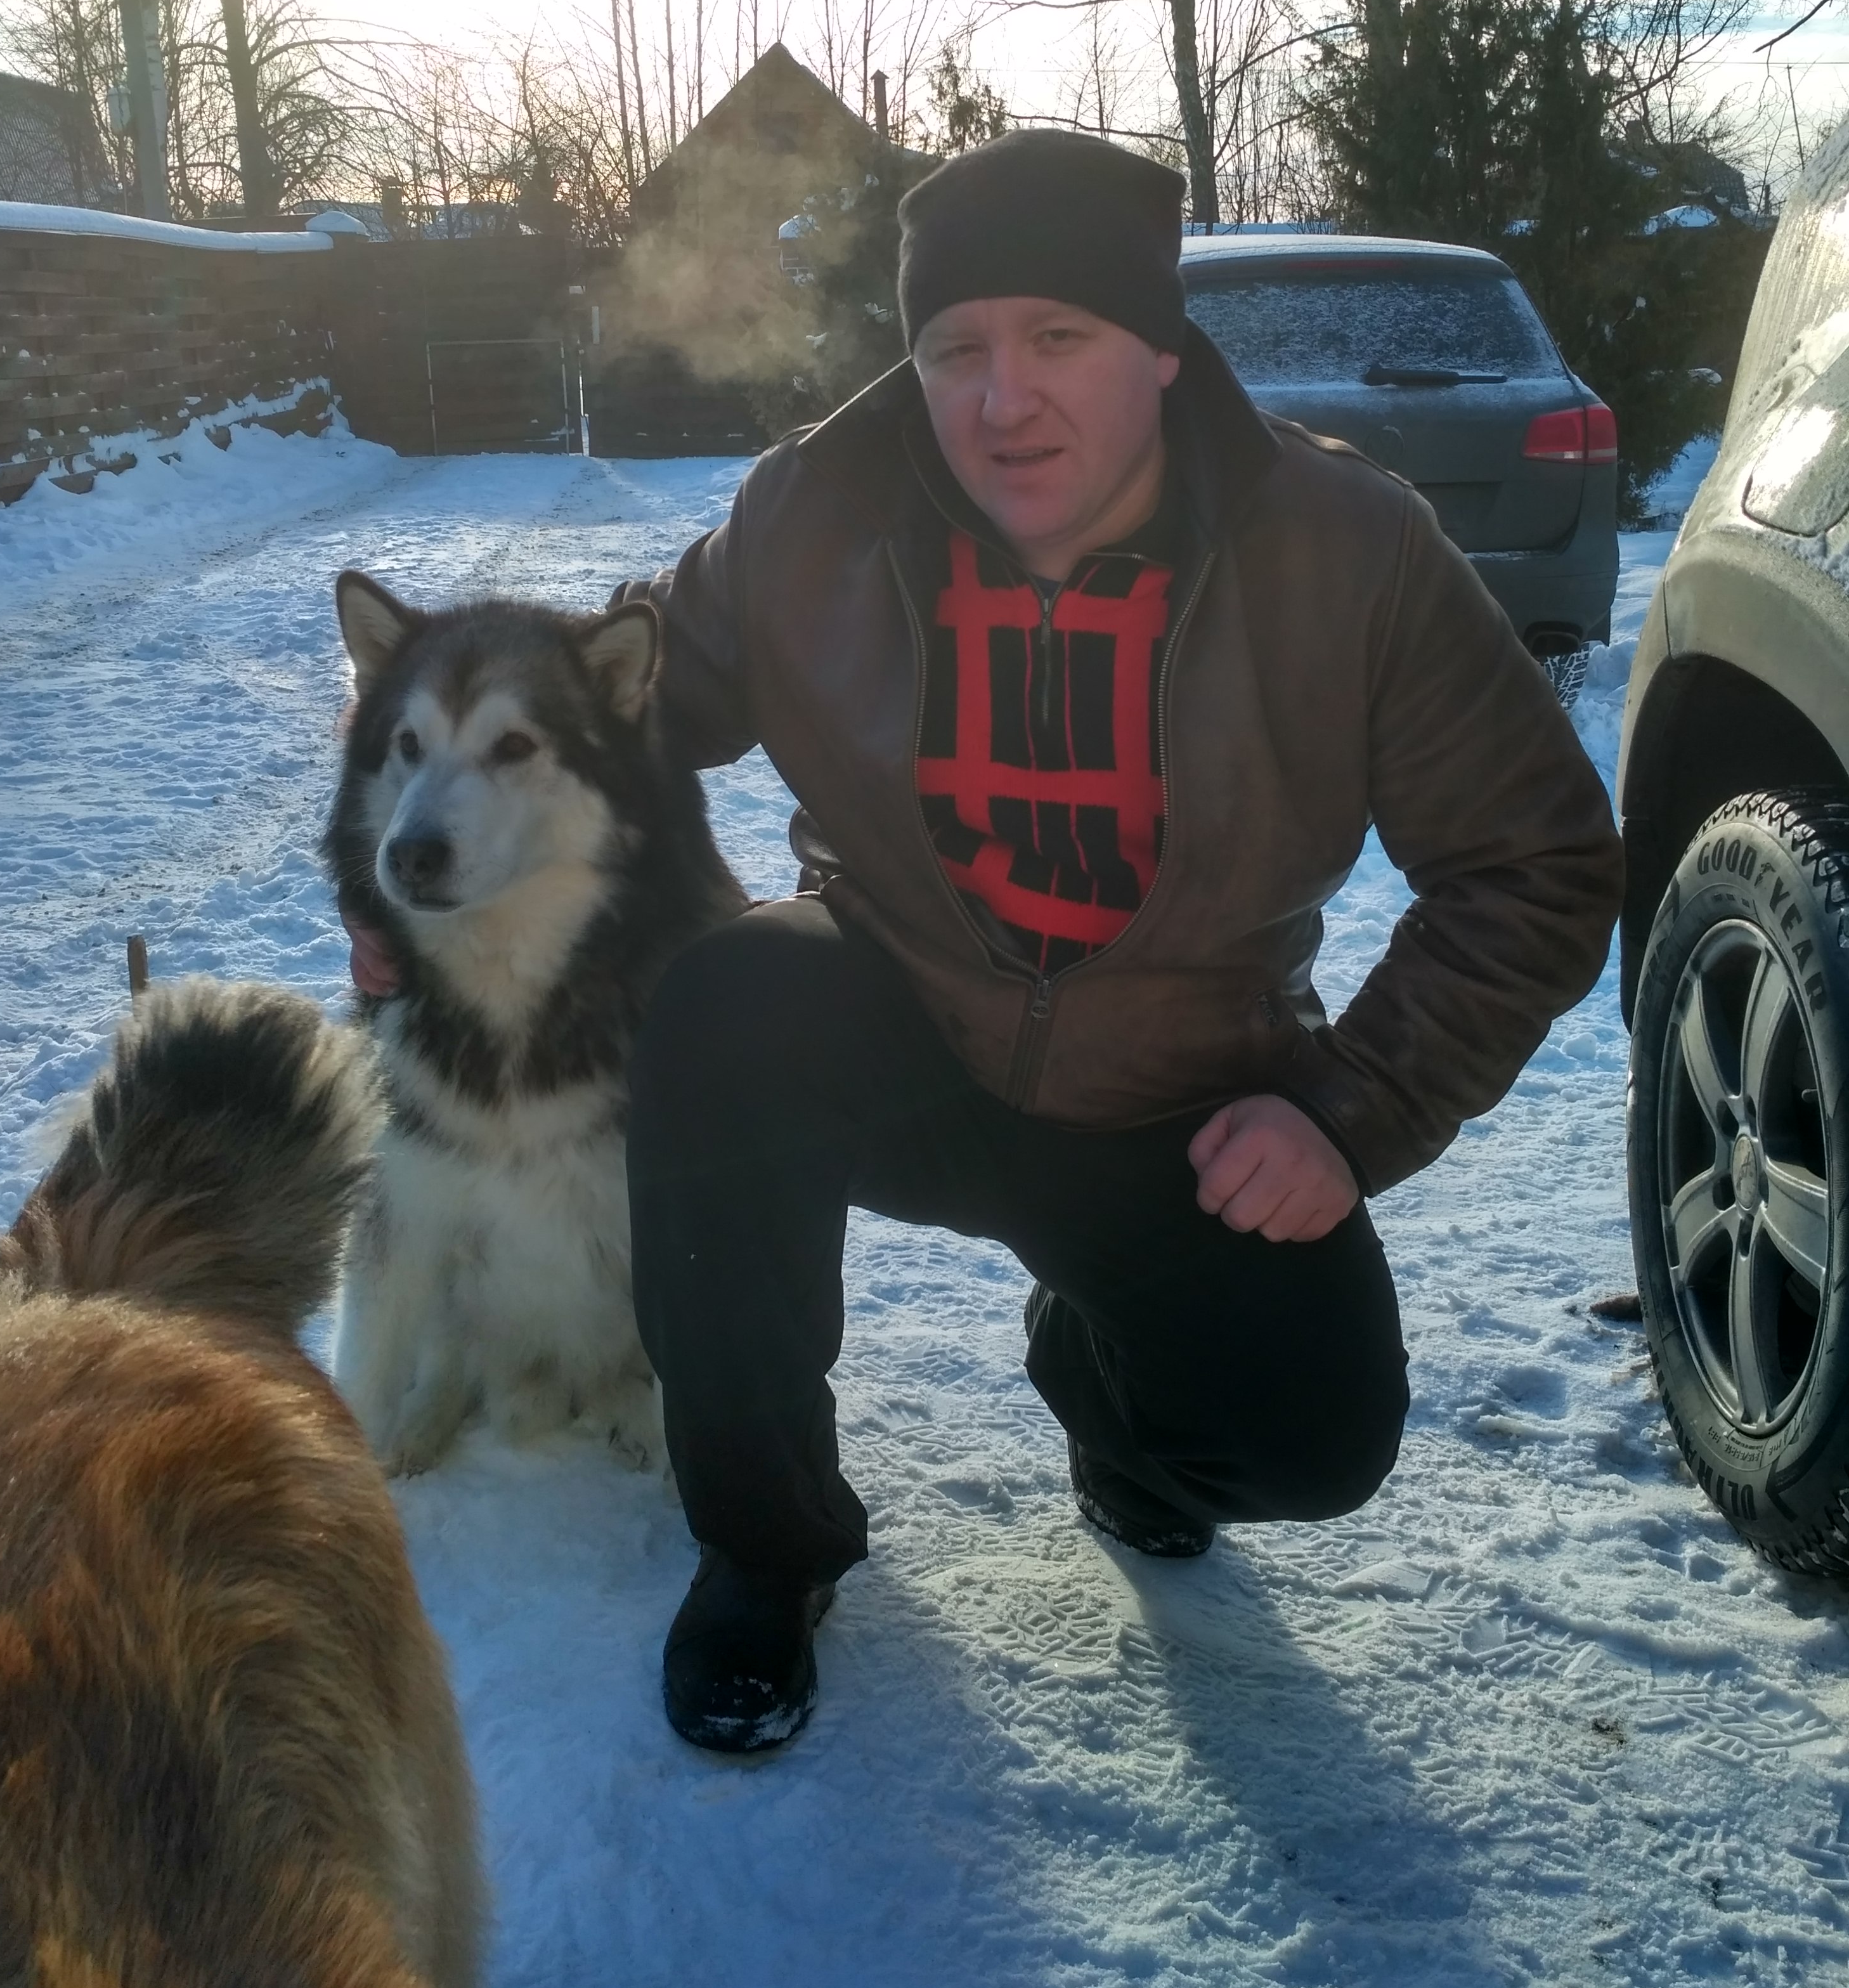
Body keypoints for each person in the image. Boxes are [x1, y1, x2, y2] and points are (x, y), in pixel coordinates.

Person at [347, 130, 1623, 1757]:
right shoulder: (811, 515)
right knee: (728, 1001)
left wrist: (1349, 1108)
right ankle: (764, 1541)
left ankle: (1109, 1396)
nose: (1003, 399)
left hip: (1180, 1094)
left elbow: (1536, 862)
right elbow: (604, 714)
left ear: (1161, 350)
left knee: (1313, 1438)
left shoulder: (1344, 551)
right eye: (956, 349)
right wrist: (418, 863)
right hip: (899, 1028)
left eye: (1059, 337)